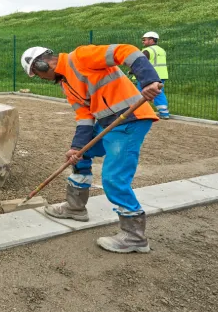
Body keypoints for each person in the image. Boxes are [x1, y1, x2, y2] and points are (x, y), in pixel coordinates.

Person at [20, 43, 163, 253]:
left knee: (114, 178)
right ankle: (75, 207)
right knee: (82, 155)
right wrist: (76, 147)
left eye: (37, 74)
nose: (41, 78)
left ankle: (134, 237)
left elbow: (126, 51)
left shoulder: (80, 57)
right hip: (108, 123)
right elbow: (84, 117)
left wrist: (149, 80)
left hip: (130, 119)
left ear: (41, 65)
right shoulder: (66, 85)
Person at [140, 31, 170, 119]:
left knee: (140, 94)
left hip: (148, 76)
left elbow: (140, 63)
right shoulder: (162, 50)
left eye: (144, 40)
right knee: (158, 93)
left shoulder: (147, 50)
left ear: (151, 40)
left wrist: (132, 71)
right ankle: (164, 113)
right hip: (161, 76)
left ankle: (141, 113)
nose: (143, 41)